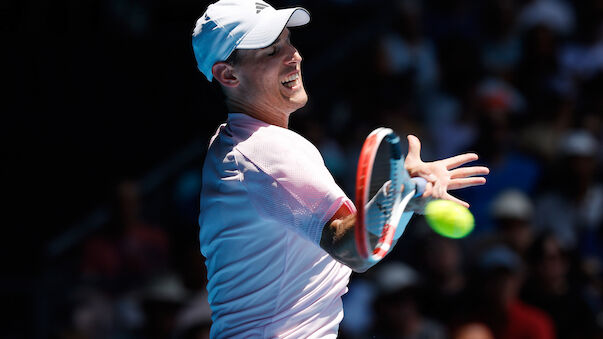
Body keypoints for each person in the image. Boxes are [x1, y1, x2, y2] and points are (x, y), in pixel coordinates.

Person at [192, 0, 489, 337]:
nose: (294, 55)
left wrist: (405, 198)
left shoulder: (228, 144)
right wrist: (402, 192)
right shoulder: (268, 148)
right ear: (228, 74)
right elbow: (356, 250)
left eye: (289, 41)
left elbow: (355, 238)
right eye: (272, 50)